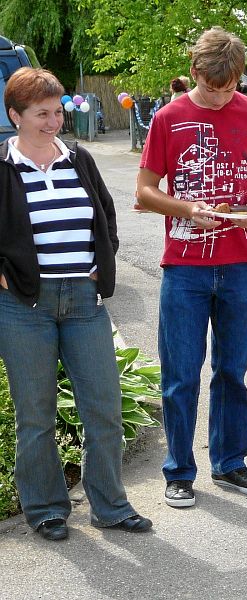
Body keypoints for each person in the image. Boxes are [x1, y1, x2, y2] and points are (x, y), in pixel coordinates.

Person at [0, 67, 152, 540]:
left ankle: (110, 505)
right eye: (41, 113)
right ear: (15, 115)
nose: (53, 121)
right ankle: (45, 508)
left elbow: (105, 215)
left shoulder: (79, 159)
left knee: (103, 406)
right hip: (24, 306)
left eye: (58, 109)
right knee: (36, 414)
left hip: (85, 301)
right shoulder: (1, 166)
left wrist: (101, 263)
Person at [137, 27, 247, 509]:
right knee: (181, 373)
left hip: (242, 262)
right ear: (195, 71)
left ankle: (230, 463)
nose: (222, 96)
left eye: (231, 86)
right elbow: (144, 191)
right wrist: (183, 209)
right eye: (214, 86)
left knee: (232, 371)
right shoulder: (169, 117)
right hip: (185, 266)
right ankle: (179, 471)